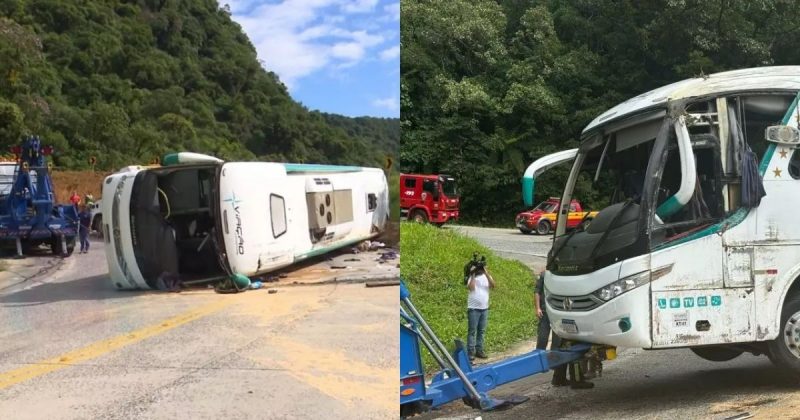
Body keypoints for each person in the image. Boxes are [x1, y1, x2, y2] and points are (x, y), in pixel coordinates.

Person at [535, 270, 593, 389]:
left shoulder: (560, 277)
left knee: (562, 345)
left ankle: (558, 377)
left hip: (561, 314)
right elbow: (537, 292)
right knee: (572, 346)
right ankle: (576, 380)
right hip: (563, 314)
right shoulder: (559, 277)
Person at [466, 262, 495, 361]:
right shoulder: (471, 277)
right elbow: (471, 287)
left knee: (481, 331)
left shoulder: (486, 277)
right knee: (472, 331)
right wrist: (473, 273)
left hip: (484, 308)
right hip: (473, 308)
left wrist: (486, 273)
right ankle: (470, 352)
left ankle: (480, 350)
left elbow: (493, 285)